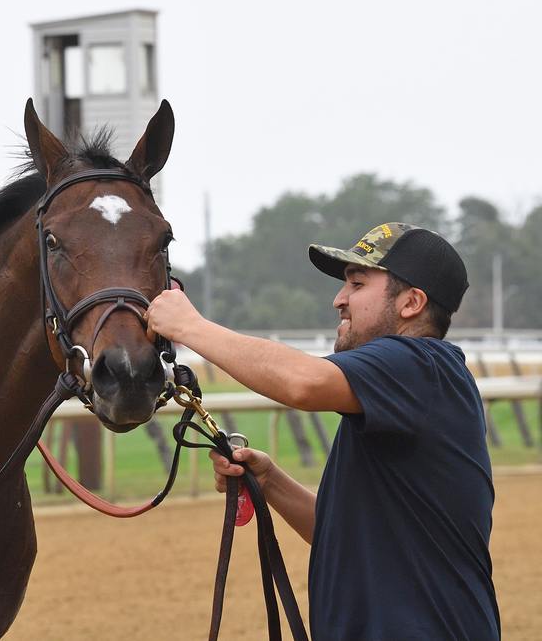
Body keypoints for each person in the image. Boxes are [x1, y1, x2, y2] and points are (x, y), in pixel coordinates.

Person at [145, 223, 500, 640]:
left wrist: (189, 327)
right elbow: (341, 537)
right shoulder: (410, 384)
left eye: (357, 283)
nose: (339, 299)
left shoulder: (419, 364)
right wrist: (270, 481)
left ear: (411, 303)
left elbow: (304, 382)